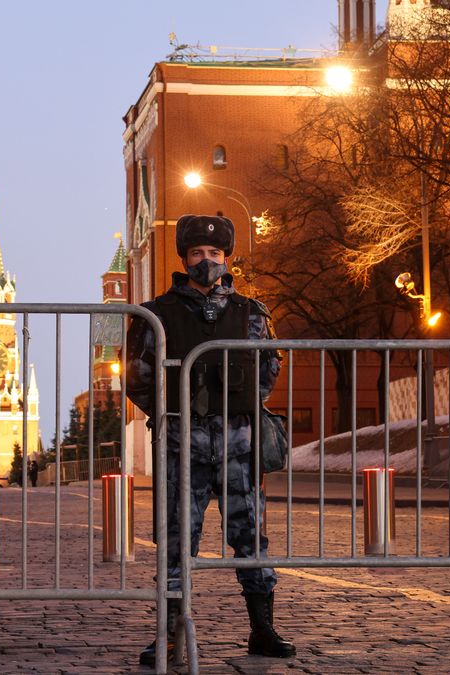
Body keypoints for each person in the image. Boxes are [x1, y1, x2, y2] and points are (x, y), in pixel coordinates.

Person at [126, 214, 295, 667]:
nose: (206, 260)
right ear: (184, 258)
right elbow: (138, 379)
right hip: (183, 444)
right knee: (177, 540)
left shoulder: (252, 313)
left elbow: (268, 372)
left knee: (250, 537)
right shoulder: (155, 315)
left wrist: (234, 408)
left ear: (227, 258)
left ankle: (263, 630)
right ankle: (169, 636)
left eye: (215, 253)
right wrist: (175, 413)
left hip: (239, 444)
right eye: (197, 253)